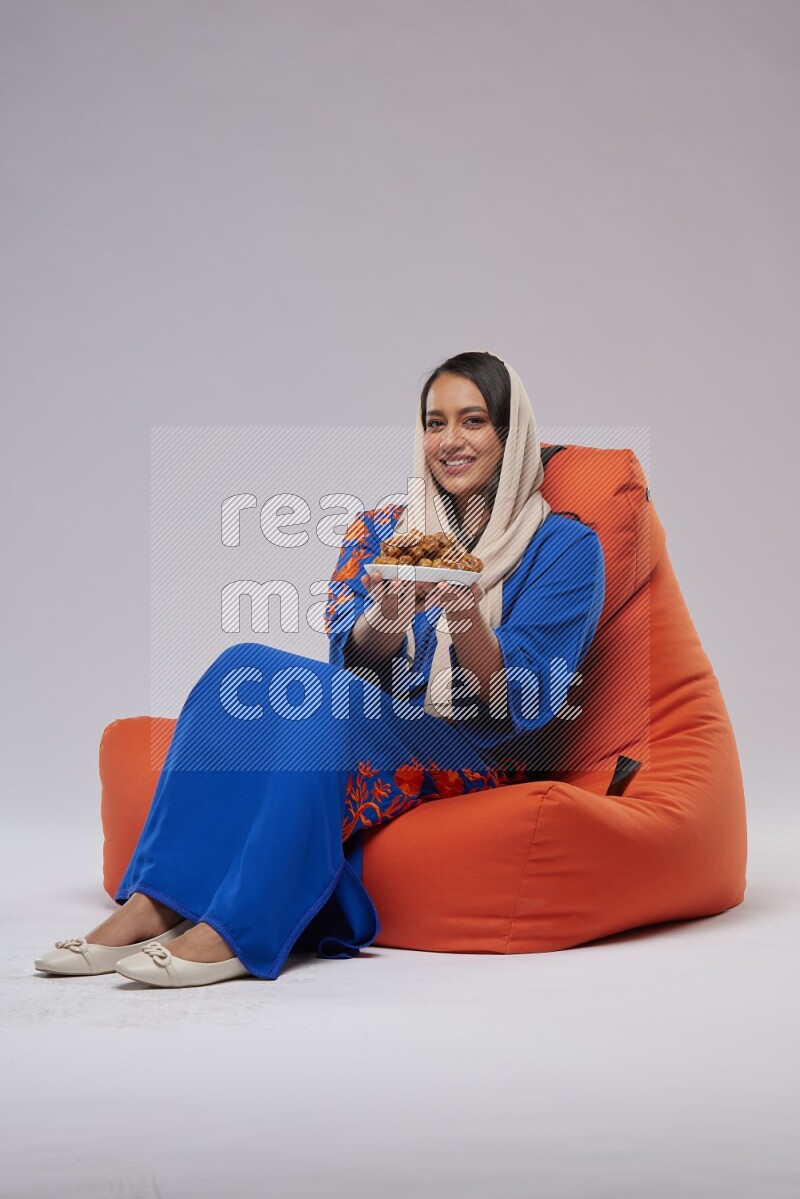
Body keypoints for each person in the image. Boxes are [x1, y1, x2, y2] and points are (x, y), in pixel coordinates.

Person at [34, 350, 605, 988]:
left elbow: (529, 698)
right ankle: (154, 902)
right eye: (434, 422)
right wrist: (382, 621)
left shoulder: (566, 546)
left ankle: (240, 929)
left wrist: (468, 619)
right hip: (381, 709)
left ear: (510, 433)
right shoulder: (382, 531)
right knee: (240, 667)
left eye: (472, 421)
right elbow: (350, 655)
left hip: (474, 744)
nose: (450, 441)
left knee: (328, 713)